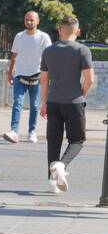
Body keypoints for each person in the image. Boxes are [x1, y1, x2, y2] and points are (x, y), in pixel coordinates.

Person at [41, 16, 96, 193]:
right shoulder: (82, 50)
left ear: (59, 31)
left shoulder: (48, 51)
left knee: (53, 141)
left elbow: (44, 80)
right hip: (74, 101)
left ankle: (52, 183)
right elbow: (90, 79)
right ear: (78, 32)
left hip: (53, 101)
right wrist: (82, 95)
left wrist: (44, 102)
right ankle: (61, 166)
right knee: (77, 140)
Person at [5, 11, 52, 144]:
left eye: (31, 20)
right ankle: (14, 131)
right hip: (20, 75)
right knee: (17, 103)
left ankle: (32, 132)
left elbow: (48, 57)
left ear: (38, 21)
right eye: (26, 20)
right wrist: (10, 72)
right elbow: (14, 56)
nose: (29, 22)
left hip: (37, 76)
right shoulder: (19, 36)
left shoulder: (44, 37)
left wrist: (47, 75)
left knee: (34, 105)